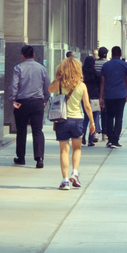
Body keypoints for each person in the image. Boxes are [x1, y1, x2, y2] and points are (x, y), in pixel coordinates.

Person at [48, 57, 95, 190]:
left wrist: (57, 77)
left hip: (62, 120)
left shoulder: (59, 83)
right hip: (78, 120)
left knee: (64, 151)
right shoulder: (82, 85)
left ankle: (65, 181)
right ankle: (75, 173)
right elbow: (87, 106)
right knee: (77, 149)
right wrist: (92, 122)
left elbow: (49, 90)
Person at [9, 45, 50, 168]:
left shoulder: (18, 68)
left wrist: (12, 99)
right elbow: (47, 86)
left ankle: (21, 157)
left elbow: (14, 86)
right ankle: (39, 159)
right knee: (37, 130)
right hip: (37, 102)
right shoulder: (42, 69)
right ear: (34, 55)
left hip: (22, 102)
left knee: (21, 130)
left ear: (22, 55)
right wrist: (45, 99)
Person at [100, 46, 127, 148]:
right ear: (120, 54)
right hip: (120, 95)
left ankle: (110, 138)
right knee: (119, 117)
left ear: (111, 54)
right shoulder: (125, 65)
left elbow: (102, 82)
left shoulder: (106, 66)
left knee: (109, 116)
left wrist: (101, 96)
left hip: (109, 95)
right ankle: (115, 140)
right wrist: (126, 93)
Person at [81, 56, 102, 146]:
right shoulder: (96, 74)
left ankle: (82, 135)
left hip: (84, 96)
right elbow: (99, 85)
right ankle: (90, 139)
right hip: (94, 97)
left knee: (86, 117)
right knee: (93, 118)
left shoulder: (82, 74)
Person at [95, 46, 109, 139]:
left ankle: (95, 132)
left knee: (95, 112)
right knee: (105, 113)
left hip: (95, 91)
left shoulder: (94, 63)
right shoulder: (107, 64)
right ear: (105, 54)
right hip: (105, 92)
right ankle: (105, 133)